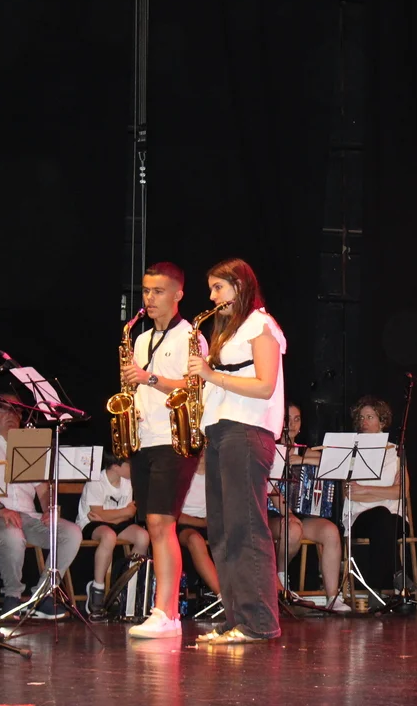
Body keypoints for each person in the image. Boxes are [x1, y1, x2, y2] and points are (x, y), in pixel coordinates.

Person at [190, 257, 286, 644]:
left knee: (245, 528)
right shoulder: (228, 333)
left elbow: (265, 385)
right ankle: (237, 619)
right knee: (223, 531)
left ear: (240, 287)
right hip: (221, 431)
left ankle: (258, 622)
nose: (213, 296)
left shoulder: (262, 325)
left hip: (246, 431)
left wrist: (211, 374)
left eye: (219, 288)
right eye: (211, 289)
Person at [122, 261, 207, 638]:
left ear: (178, 295)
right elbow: (138, 386)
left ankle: (166, 612)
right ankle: (164, 611)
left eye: (158, 291)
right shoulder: (140, 339)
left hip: (175, 439)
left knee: (162, 523)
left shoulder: (191, 337)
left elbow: (195, 386)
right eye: (145, 291)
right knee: (154, 524)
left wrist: (149, 378)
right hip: (144, 438)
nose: (149, 298)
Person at [0, 394, 81, 619]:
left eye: (17, 410)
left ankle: (42, 596)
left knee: (71, 533)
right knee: (12, 534)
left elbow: (43, 489)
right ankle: (12, 598)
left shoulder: (29, 446)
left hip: (27, 516)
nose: (12, 414)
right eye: (5, 409)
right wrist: (0, 509)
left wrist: (48, 509)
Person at [268, 402, 347, 613]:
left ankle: (333, 597)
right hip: (271, 514)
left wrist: (301, 459)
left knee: (330, 531)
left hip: (301, 514)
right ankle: (280, 583)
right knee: (292, 529)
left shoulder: (304, 450)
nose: (293, 424)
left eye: (297, 419)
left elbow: (334, 462)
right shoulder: (269, 451)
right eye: (288, 419)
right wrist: (289, 514)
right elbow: (271, 490)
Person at [75, 453, 150, 618]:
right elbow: (97, 513)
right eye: (130, 465)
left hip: (114, 523)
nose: (134, 469)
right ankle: (97, 588)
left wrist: (108, 516)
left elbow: (127, 516)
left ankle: (127, 587)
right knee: (109, 536)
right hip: (90, 524)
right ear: (116, 467)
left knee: (143, 536)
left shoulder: (127, 483)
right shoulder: (96, 481)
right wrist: (121, 513)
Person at [345, 395, 407, 592]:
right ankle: (398, 574)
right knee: (382, 516)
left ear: (382, 421)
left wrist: (366, 489)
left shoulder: (396, 452)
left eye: (370, 417)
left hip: (394, 517)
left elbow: (401, 492)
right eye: (361, 417)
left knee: (385, 520)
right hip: (359, 517)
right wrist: (387, 492)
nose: (364, 421)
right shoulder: (351, 451)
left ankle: (375, 591)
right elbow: (350, 493)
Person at [177, 456, 220, 599]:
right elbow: (174, 515)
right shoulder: (182, 475)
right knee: (195, 539)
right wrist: (202, 523)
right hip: (184, 525)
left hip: (209, 524)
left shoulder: (216, 475)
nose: (202, 452)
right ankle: (222, 595)